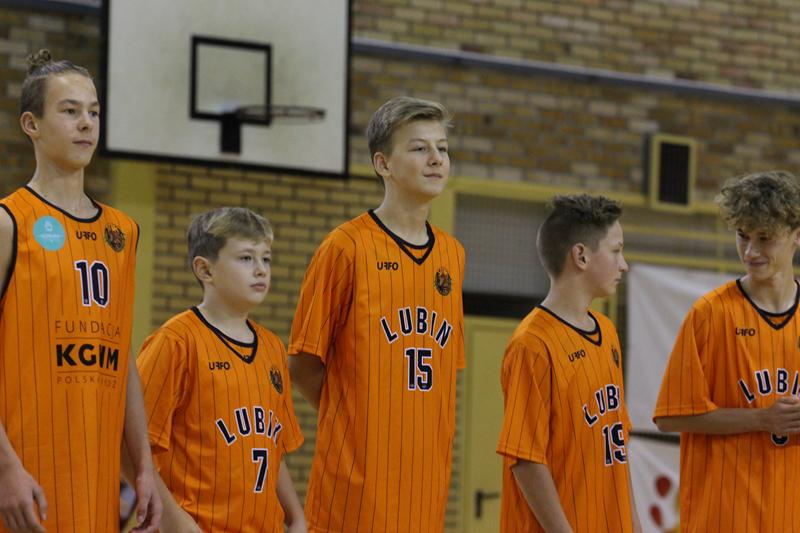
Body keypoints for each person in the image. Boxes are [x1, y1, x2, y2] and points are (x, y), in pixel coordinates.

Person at [288, 96, 465, 533]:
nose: (436, 159)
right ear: (383, 163)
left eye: (442, 148)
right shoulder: (345, 247)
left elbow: (445, 374)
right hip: (355, 490)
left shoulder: (452, 255)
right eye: (419, 148)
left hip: (425, 489)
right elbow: (302, 364)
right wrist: (357, 422)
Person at [0, 50, 160, 532]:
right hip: (22, 484)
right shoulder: (9, 223)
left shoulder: (123, 232)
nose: (86, 123)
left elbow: (122, 357)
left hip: (95, 492)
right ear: (32, 124)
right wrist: (5, 468)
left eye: (93, 111)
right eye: (70, 111)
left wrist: (144, 467)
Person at [136, 207, 305, 532]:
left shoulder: (272, 347)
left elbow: (269, 449)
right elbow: (131, 446)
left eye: (266, 259)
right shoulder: (175, 342)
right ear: (205, 269)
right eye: (246, 258)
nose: (260, 270)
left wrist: (297, 516)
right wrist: (175, 521)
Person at [653, 170, 800, 532]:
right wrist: (762, 419)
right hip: (722, 519)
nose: (751, 251)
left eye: (765, 238)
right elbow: (670, 417)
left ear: (796, 235)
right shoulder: (709, 314)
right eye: (742, 235)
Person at [496, 194, 641, 533]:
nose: (624, 265)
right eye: (616, 251)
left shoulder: (607, 332)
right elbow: (525, 460)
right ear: (581, 256)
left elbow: (617, 448)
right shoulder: (532, 344)